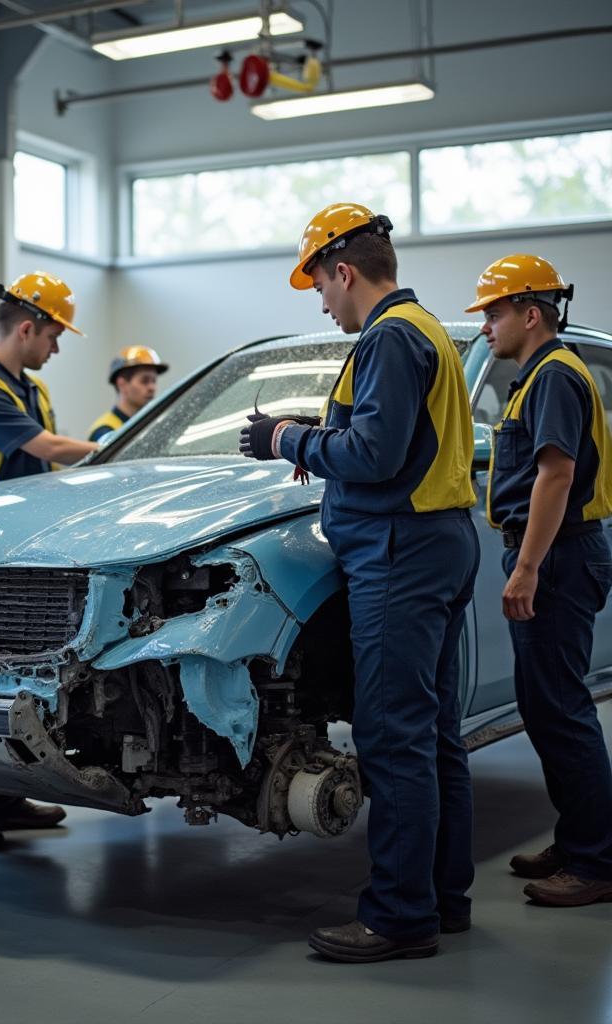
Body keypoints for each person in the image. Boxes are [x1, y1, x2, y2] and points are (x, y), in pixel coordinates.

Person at [239, 203, 479, 963]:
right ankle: (442, 898)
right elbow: (390, 436)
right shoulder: (425, 330)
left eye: (319, 286)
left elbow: (375, 454)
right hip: (430, 542)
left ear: (344, 271)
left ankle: (400, 917)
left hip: (398, 552)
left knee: (392, 736)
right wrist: (320, 430)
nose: (320, 302)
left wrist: (285, 439)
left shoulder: (389, 339)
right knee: (433, 734)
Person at [467, 254, 612, 907]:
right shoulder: (538, 376)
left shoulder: (553, 376)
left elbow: (554, 475)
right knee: (547, 706)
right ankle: (581, 835)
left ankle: (598, 862)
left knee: (560, 707)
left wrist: (526, 566)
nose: (488, 325)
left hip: (556, 556)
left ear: (532, 312)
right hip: (556, 552)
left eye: (495, 312)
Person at [0, 270, 99, 850]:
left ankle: (3, 798)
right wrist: (121, 448)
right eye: (54, 336)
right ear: (28, 327)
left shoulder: (30, 387)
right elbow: (49, 449)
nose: (56, 348)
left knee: (11, 673)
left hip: (20, 553)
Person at [88, 345, 168, 441]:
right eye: (144, 381)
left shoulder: (151, 424)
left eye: (154, 381)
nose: (152, 387)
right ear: (122, 385)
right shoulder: (104, 431)